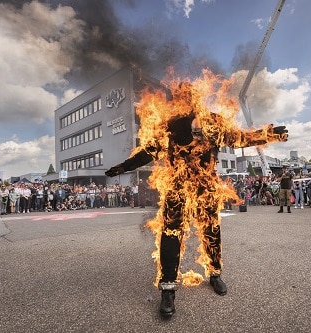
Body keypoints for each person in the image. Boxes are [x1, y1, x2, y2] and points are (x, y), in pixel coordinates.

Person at [105, 81, 288, 317]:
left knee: (211, 231)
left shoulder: (213, 121)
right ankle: (168, 288)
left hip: (206, 189)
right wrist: (123, 166)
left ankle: (215, 273)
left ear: (195, 98)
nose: (184, 100)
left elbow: (239, 138)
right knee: (171, 234)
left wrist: (268, 135)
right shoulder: (170, 125)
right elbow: (149, 151)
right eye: (180, 97)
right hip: (176, 189)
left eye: (188, 96)